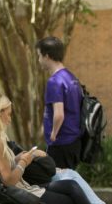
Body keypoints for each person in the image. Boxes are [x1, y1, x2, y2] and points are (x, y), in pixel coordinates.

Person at [36, 36, 84, 169]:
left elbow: (59, 114)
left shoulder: (54, 81)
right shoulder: (72, 78)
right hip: (74, 141)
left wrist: (53, 134)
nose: (39, 60)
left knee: (60, 184)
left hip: (61, 142)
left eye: (39, 56)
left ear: (47, 56)